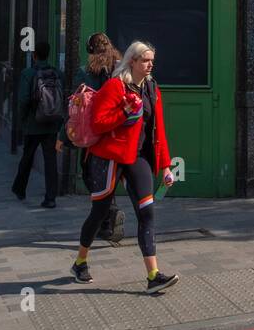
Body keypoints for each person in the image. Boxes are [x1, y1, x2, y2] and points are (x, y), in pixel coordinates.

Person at [71, 40, 179, 294]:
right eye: (145, 60)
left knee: (147, 213)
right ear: (132, 61)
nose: (150, 64)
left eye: (152, 60)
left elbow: (158, 130)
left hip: (138, 158)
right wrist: (124, 113)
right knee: (99, 212)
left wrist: (165, 166)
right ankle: (80, 261)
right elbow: (98, 123)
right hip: (110, 156)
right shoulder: (114, 87)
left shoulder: (152, 88)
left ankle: (153, 276)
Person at [56, 33, 125, 244]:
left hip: (92, 134)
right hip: (116, 130)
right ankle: (108, 218)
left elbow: (74, 109)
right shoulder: (121, 70)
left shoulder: (86, 73)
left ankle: (108, 215)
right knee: (110, 175)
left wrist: (62, 137)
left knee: (90, 176)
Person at [11, 40, 63, 208]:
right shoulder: (56, 73)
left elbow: (24, 99)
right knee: (50, 160)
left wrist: (23, 118)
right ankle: (51, 197)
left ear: (34, 55)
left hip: (33, 123)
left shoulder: (28, 73)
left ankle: (20, 189)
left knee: (28, 156)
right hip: (52, 123)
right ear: (48, 54)